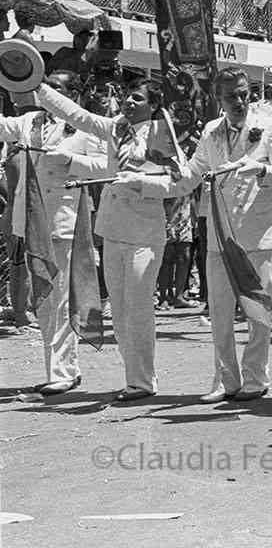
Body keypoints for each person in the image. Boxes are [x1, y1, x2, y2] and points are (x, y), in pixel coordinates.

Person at [35, 75, 178, 402]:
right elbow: (78, 116)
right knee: (121, 310)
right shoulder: (116, 128)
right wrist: (39, 87)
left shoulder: (162, 133)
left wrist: (141, 182)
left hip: (145, 232)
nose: (129, 102)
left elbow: (176, 181)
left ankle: (143, 381)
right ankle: (135, 377)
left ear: (153, 105)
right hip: (113, 229)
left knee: (138, 307)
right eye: (127, 95)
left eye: (137, 98)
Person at [175, 68, 272, 403]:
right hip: (220, 233)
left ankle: (256, 377)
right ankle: (225, 379)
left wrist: (263, 170)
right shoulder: (211, 131)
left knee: (258, 312)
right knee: (220, 312)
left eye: (244, 94)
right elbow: (192, 174)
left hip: (258, 232)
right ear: (219, 99)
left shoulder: (270, 128)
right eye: (231, 97)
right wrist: (171, 170)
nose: (240, 101)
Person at [1, 70, 107, 393]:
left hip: (64, 221)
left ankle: (63, 372)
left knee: (60, 298)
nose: (47, 94)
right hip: (32, 221)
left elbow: (104, 165)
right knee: (43, 299)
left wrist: (71, 160)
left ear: (72, 94)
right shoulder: (29, 121)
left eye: (56, 89)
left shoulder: (86, 127)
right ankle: (58, 370)